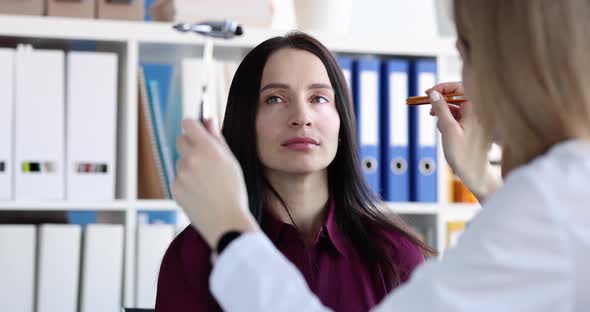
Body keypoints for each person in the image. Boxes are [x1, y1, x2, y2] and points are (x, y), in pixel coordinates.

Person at [172, 0, 590, 311]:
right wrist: (480, 177)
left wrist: (229, 230)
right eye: (276, 99)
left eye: (465, 53)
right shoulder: (560, 198)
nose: (301, 117)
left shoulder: (553, 204)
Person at [156, 32, 435, 311]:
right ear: (246, 121)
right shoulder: (192, 254)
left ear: (342, 123)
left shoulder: (394, 254)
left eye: (318, 98)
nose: (302, 117)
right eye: (275, 99)